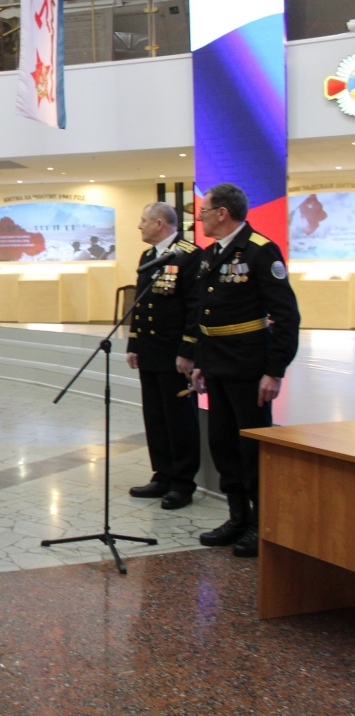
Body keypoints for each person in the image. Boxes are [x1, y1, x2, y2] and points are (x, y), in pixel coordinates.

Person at [190, 183, 300, 558]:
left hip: (249, 367)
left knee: (252, 449)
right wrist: (201, 361)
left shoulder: (260, 250)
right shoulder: (211, 254)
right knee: (223, 445)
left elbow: (286, 316)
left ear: (222, 213)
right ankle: (236, 517)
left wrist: (275, 370)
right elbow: (206, 314)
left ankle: (260, 522)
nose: (200, 218)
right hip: (217, 363)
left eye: (204, 211)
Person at [126, 203, 202, 511]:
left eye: (143, 221)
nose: (139, 226)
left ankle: (182, 483)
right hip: (150, 349)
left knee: (179, 419)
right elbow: (141, 302)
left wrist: (188, 350)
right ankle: (162, 474)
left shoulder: (189, 255)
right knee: (155, 417)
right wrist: (134, 342)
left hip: (174, 352)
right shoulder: (149, 256)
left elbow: (195, 307)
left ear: (159, 223)